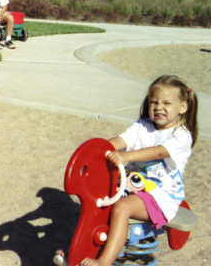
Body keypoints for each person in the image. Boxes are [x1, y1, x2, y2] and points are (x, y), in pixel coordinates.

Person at [67, 75, 198, 266]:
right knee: (96, 204)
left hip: (161, 195)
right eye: (154, 102)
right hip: (131, 188)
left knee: (122, 208)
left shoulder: (181, 135)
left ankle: (104, 261)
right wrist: (100, 152)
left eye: (167, 103)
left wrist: (126, 156)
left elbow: (158, 151)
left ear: (183, 107)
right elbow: (120, 141)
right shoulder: (142, 127)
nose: (159, 107)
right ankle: (79, 248)